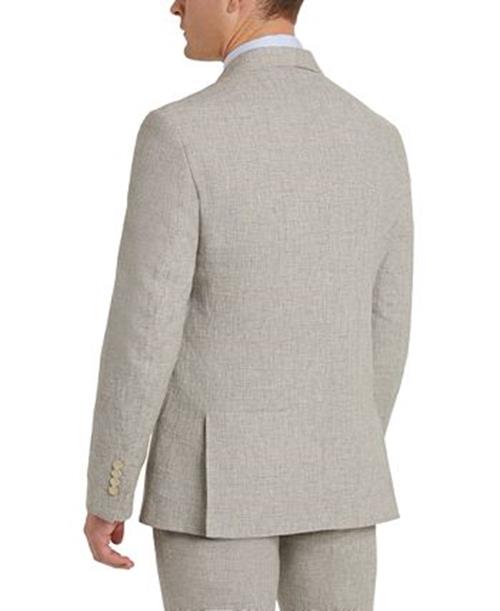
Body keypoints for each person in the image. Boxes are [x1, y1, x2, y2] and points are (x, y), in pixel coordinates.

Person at [83, 1, 414, 609]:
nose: (175, 5)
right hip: (343, 474)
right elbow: (388, 321)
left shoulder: (179, 133)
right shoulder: (378, 136)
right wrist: (347, 443)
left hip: (213, 483)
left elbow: (145, 330)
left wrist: (112, 485)